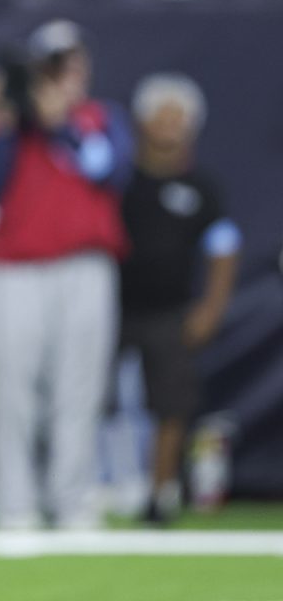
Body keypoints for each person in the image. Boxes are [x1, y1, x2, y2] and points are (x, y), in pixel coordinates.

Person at [0, 19, 135, 529]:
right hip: (17, 270)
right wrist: (10, 117)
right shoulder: (8, 128)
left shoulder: (100, 119)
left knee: (79, 387)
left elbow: (110, 170)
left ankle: (72, 500)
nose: (65, 75)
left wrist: (60, 122)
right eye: (54, 67)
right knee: (13, 388)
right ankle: (14, 502)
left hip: (85, 267)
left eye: (72, 64)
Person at [120, 73, 240, 524]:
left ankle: (159, 494)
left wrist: (211, 307)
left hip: (169, 311)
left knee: (171, 402)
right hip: (111, 307)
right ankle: (90, 487)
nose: (170, 125)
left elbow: (225, 248)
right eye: (162, 115)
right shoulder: (119, 178)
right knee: (88, 396)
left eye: (179, 117)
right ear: (143, 121)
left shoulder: (202, 188)